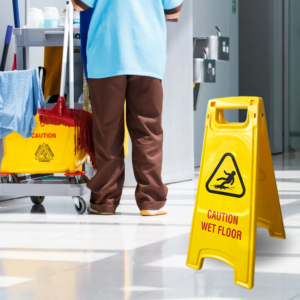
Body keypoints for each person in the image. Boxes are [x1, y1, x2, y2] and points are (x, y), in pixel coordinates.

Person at [71, 0, 184, 216]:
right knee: (148, 131)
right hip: (147, 56)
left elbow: (80, 5)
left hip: (107, 54)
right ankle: (151, 201)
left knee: (107, 131)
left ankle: (105, 201)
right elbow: (173, 10)